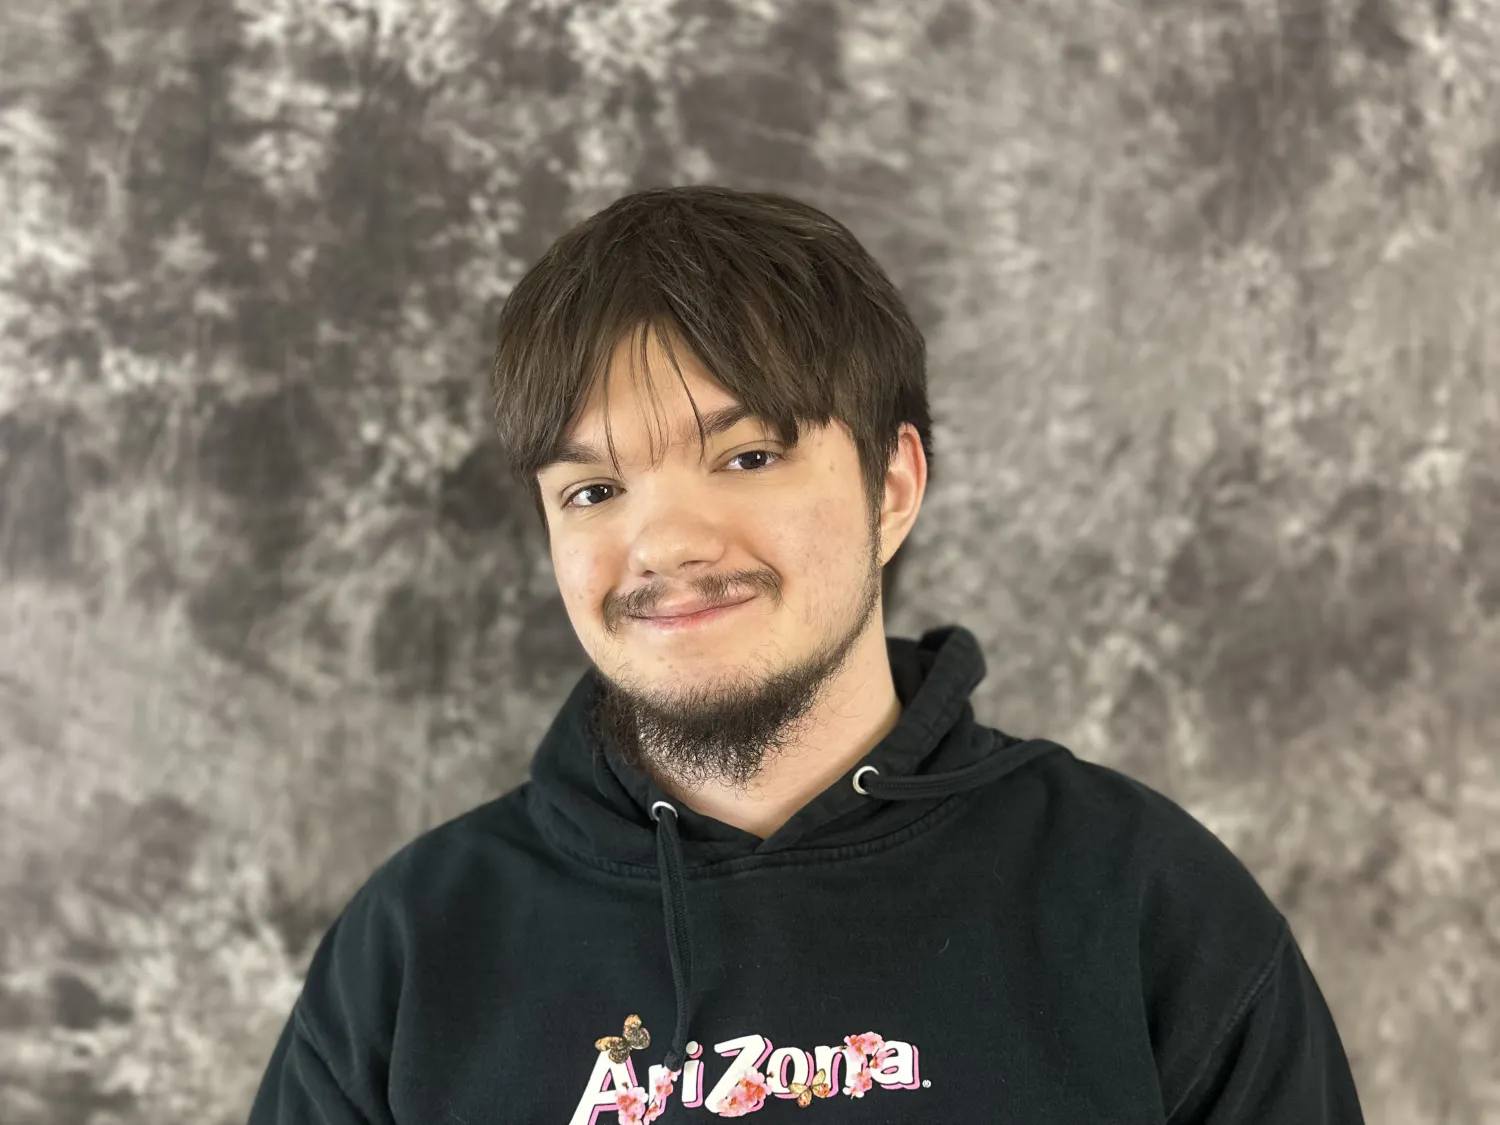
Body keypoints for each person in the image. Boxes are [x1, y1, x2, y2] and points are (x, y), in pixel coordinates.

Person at [247, 185, 1365, 1123]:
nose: (667, 543)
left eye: (746, 456)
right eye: (593, 489)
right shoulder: (413, 951)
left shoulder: (1146, 909)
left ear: (893, 487)